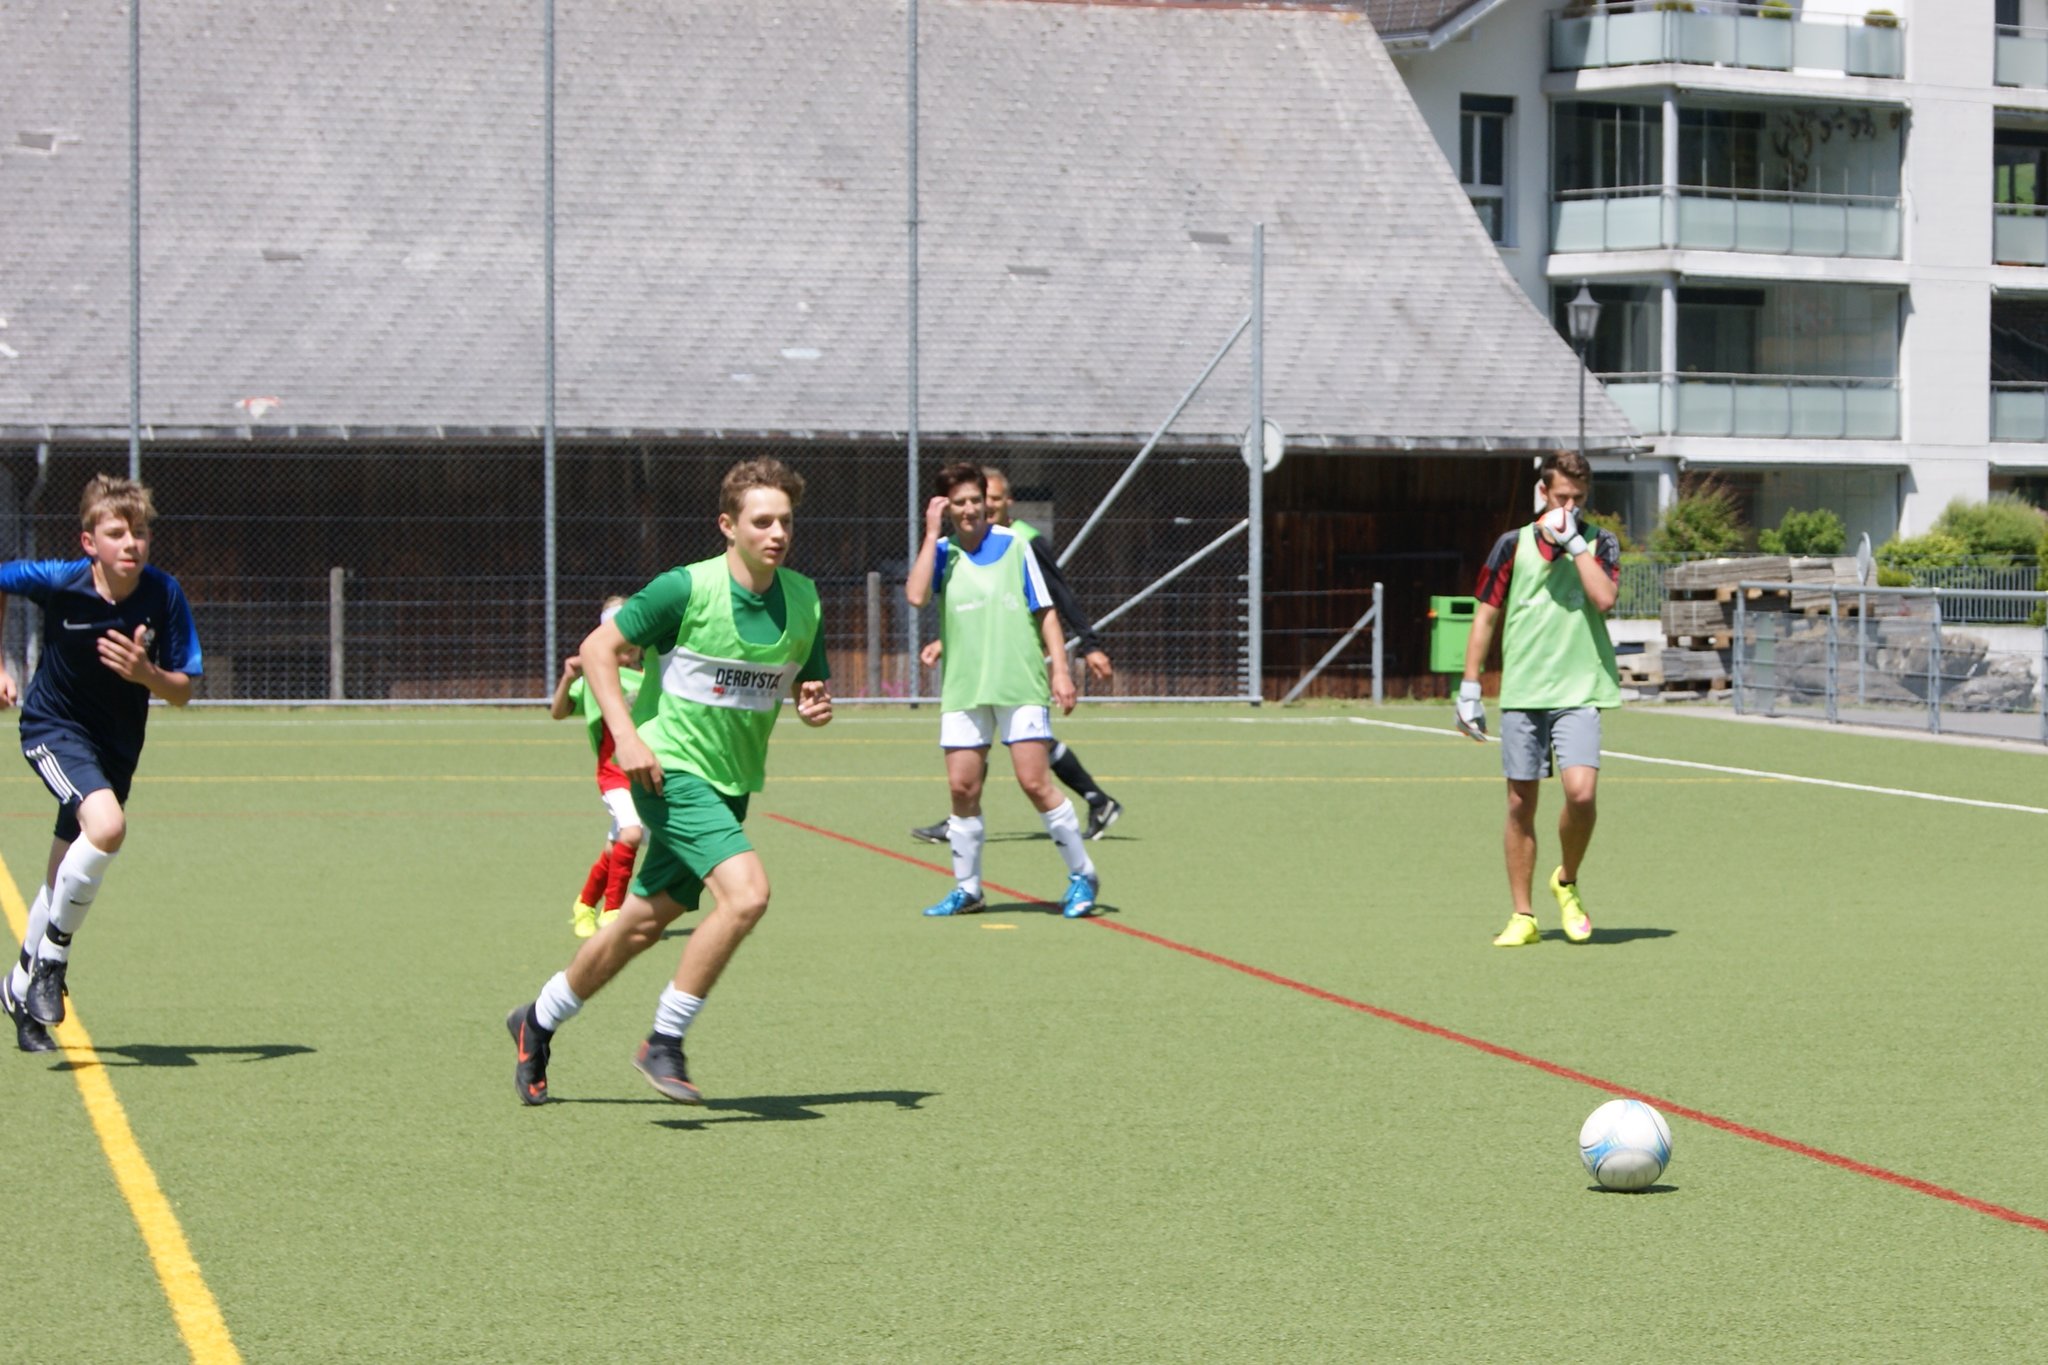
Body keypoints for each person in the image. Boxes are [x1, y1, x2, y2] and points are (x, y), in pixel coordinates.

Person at [506, 458, 832, 1105]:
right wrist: (627, 736)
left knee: (638, 926)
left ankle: (536, 1020)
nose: (777, 533)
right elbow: (598, 649)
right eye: (761, 521)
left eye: (785, 522)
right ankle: (665, 1039)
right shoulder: (684, 588)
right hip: (669, 771)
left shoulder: (804, 598)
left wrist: (812, 703)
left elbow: (805, 683)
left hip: (731, 784)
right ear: (727, 525)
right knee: (747, 896)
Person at [0, 475, 202, 1053]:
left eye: (140, 532)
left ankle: (18, 989)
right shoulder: (60, 580)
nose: (131, 543)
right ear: (89, 542)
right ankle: (52, 962)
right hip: (52, 730)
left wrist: (146, 674)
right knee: (108, 826)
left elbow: (183, 690)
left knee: (62, 876)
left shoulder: (163, 594)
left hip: (115, 746)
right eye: (116, 533)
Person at [904, 463, 1098, 920]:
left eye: (976, 499)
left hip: (1019, 683)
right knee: (962, 788)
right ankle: (968, 890)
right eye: (960, 502)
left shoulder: (1015, 546)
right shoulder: (943, 553)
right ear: (946, 508)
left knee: (1034, 783)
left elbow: (1045, 611)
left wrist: (1061, 672)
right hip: (965, 687)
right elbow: (915, 596)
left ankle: (1082, 874)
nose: (970, 509)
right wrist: (930, 534)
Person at [1454, 450, 1621, 948]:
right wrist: (1469, 687)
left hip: (1580, 688)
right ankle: (1523, 915)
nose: (1569, 507)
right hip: (1524, 690)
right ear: (1542, 492)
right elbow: (1485, 615)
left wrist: (1575, 545)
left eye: (1578, 499)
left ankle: (1566, 881)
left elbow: (1605, 599)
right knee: (1519, 802)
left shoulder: (1600, 542)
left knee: (1581, 795)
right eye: (1561, 496)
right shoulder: (1512, 544)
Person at [548, 597, 653, 939]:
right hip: (614, 774)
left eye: (633, 644)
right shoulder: (598, 678)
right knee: (632, 834)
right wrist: (568, 678)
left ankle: (584, 904)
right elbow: (559, 712)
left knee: (617, 845)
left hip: (644, 774)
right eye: (620, 646)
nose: (628, 652)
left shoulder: (651, 677)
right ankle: (613, 911)